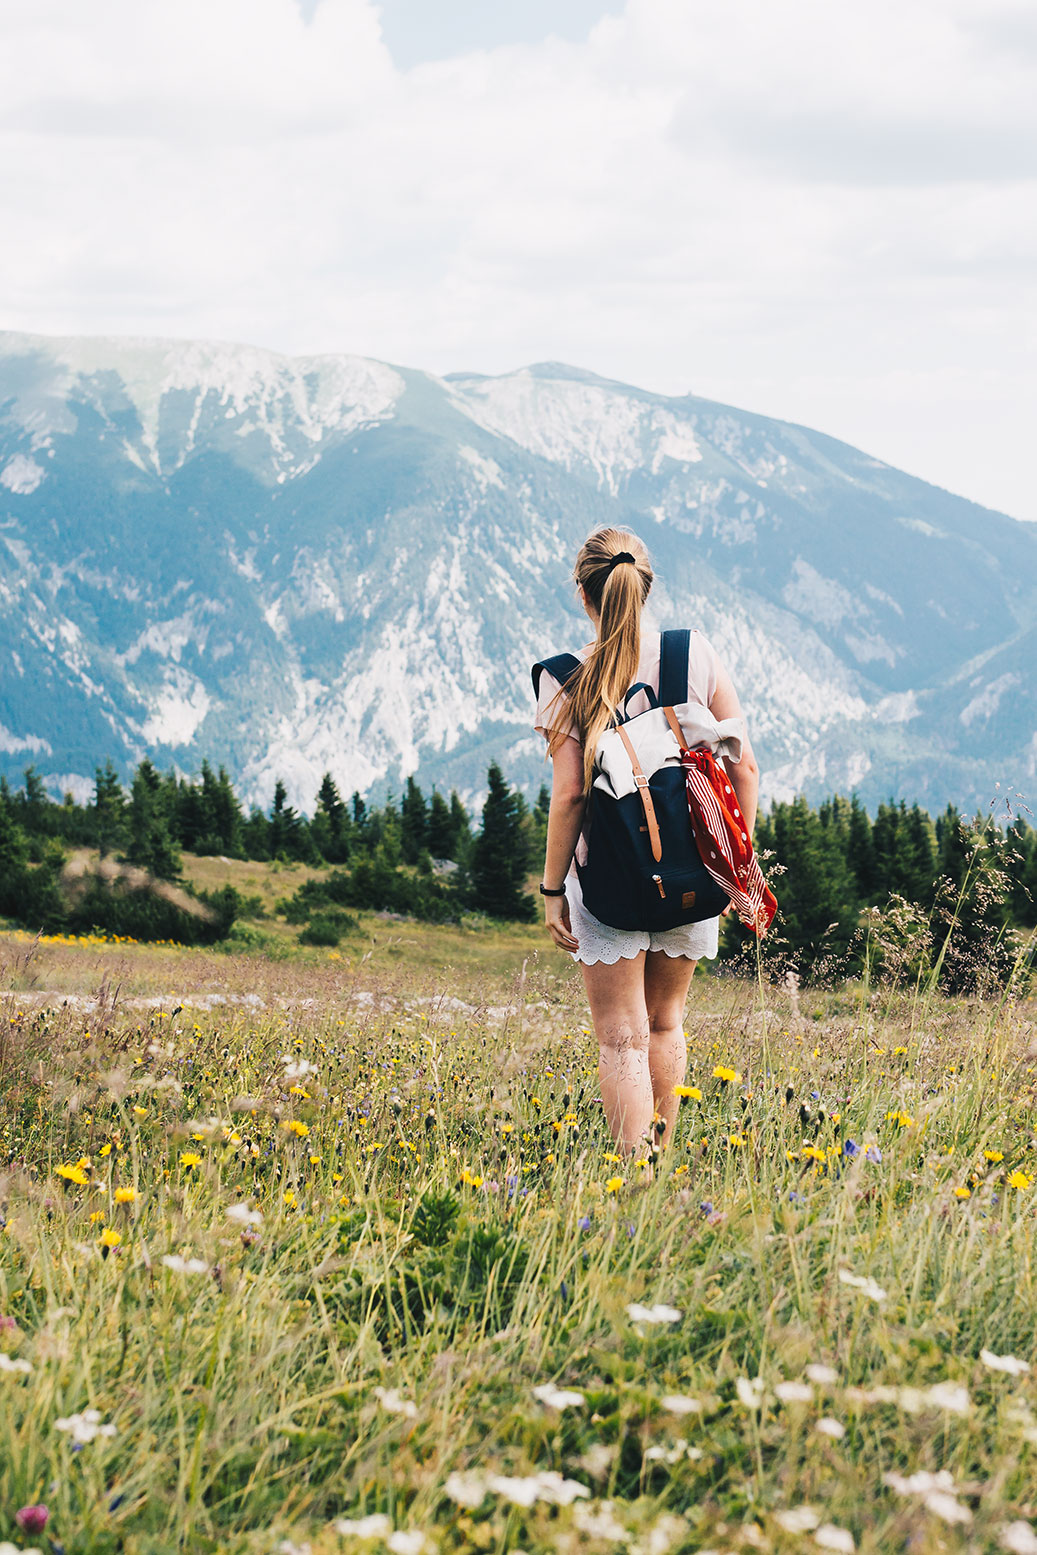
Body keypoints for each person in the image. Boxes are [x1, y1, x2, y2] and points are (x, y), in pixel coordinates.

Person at [533, 527, 759, 1159]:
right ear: (646, 587)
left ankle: (635, 1176)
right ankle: (665, 1157)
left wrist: (553, 890)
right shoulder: (696, 656)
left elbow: (572, 795)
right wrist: (741, 872)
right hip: (698, 869)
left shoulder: (564, 678)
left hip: (608, 881)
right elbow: (743, 767)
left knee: (620, 1039)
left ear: (583, 594)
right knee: (666, 1024)